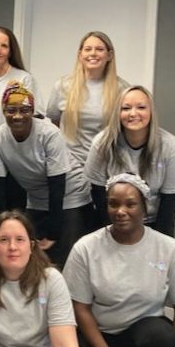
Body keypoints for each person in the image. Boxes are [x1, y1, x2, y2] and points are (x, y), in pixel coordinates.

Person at [63, 173, 175, 347]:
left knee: (161, 337)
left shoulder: (170, 249)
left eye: (130, 204)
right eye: (113, 204)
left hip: (144, 335)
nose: (120, 211)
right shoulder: (85, 248)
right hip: (97, 335)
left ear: (145, 208)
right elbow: (80, 308)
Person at [0, 82, 92, 268]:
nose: (18, 115)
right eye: (11, 110)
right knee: (32, 260)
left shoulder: (49, 133)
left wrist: (53, 229)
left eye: (25, 110)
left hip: (69, 195)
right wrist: (0, 224)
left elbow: (57, 183)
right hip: (36, 198)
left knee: (64, 259)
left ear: (32, 111)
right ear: (3, 111)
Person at [0, 210, 78, 347]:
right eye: (3, 240)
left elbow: (66, 346)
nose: (12, 247)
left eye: (20, 239)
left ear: (32, 246)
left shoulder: (52, 280)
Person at [83, 85, 175, 236]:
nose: (133, 113)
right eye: (126, 108)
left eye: (141, 107)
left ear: (151, 111)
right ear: (118, 113)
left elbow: (170, 201)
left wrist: (159, 243)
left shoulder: (170, 146)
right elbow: (98, 193)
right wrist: (112, 234)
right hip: (111, 222)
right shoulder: (102, 143)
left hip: (153, 223)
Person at [46, 31, 127, 225]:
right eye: (88, 49)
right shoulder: (63, 86)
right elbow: (53, 124)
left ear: (109, 55)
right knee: (73, 233)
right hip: (71, 172)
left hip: (105, 172)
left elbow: (125, 133)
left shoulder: (122, 89)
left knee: (105, 231)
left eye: (99, 49)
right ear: (80, 54)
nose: (93, 53)